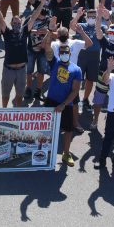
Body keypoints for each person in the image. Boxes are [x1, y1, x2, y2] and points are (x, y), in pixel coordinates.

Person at [42, 33, 83, 166]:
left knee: (68, 130)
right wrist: (50, 31)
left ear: (70, 53)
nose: (64, 53)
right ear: (59, 53)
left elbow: (75, 90)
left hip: (66, 104)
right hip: (51, 101)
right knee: (48, 128)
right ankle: (45, 152)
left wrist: (64, 104)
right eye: (62, 52)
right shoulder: (54, 62)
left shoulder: (76, 69)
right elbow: (47, 47)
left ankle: (66, 154)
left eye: (66, 51)